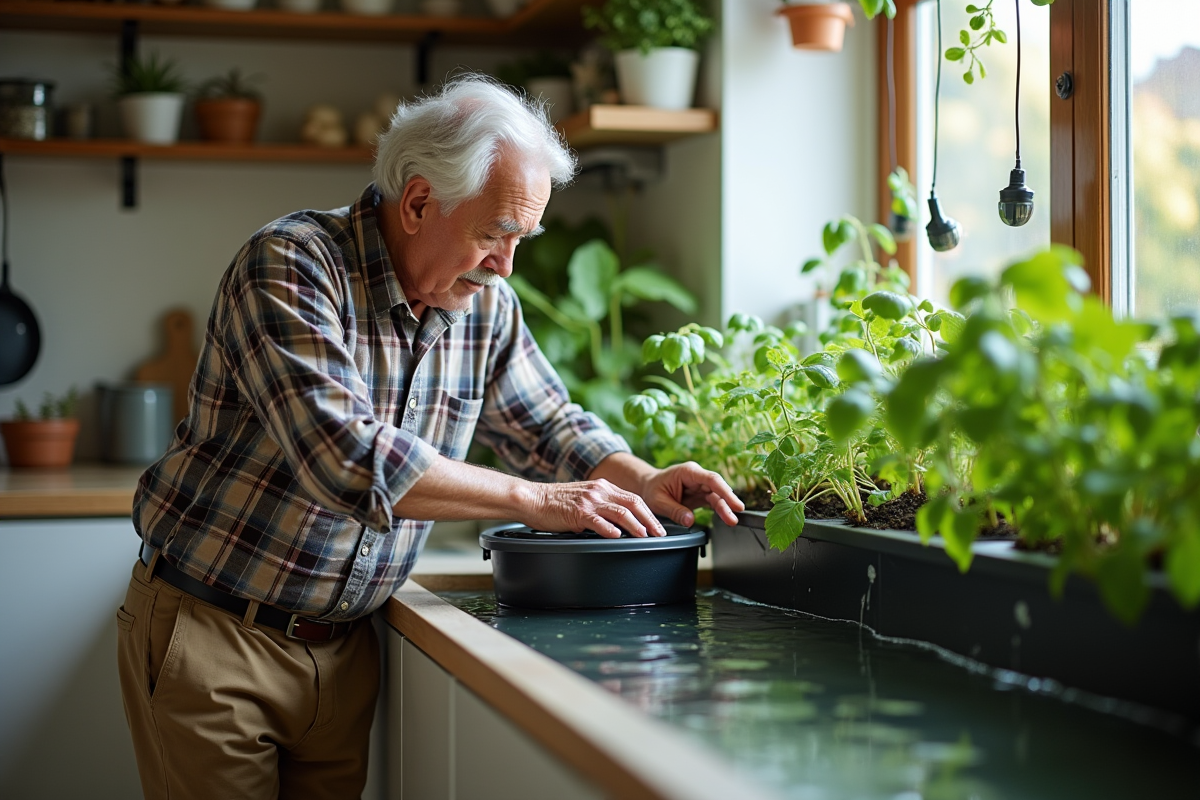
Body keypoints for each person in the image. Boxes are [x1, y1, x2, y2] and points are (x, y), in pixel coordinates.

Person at [116, 75, 744, 800]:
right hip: (219, 635)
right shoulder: (291, 264)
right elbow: (345, 459)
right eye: (495, 233)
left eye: (520, 239)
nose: (506, 265)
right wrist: (537, 500)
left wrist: (640, 478)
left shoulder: (486, 306)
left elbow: (549, 424)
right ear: (418, 202)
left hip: (344, 654)